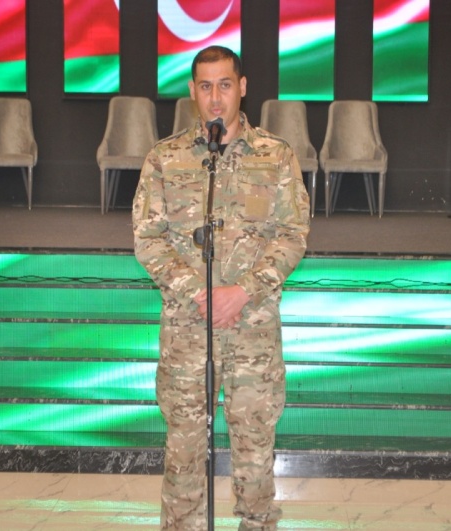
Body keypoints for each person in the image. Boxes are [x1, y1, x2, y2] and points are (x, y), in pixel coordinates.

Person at [132, 45, 310, 530]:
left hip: (253, 329)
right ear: (192, 91)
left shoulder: (276, 156)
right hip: (188, 330)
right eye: (206, 87)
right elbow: (148, 239)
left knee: (254, 449)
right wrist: (199, 293)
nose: (216, 98)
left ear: (242, 87)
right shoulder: (166, 158)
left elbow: (292, 235)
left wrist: (243, 291)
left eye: (225, 85)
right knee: (184, 450)